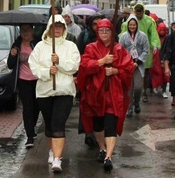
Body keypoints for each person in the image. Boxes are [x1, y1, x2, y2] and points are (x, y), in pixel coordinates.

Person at [78, 19, 134, 172]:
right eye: (101, 31)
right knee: (98, 124)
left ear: (112, 32)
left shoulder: (119, 49)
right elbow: (84, 66)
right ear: (97, 32)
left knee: (111, 125)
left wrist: (116, 71)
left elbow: (128, 68)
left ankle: (109, 156)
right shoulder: (90, 48)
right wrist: (101, 62)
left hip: (113, 94)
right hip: (95, 93)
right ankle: (102, 148)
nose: (104, 33)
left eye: (107, 31)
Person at [28, 15, 80, 173]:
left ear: (64, 28)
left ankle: (57, 159)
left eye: (60, 27)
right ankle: (52, 150)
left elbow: (74, 65)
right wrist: (47, 71)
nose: (57, 29)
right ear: (49, 28)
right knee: (49, 125)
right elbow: (33, 65)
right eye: (54, 26)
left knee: (58, 124)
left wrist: (60, 62)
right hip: (45, 91)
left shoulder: (70, 46)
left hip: (64, 90)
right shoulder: (40, 47)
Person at [7, 23, 40, 148]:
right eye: (23, 30)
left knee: (37, 106)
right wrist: (12, 54)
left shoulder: (38, 44)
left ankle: (32, 127)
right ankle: (29, 136)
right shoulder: (17, 45)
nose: (25, 33)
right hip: (23, 80)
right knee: (27, 107)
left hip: (37, 80)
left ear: (32, 31)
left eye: (28, 30)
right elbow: (10, 65)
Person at [121, 3, 160, 103]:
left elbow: (153, 34)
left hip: (144, 50)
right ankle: (132, 93)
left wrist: (155, 45)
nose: (138, 15)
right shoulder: (129, 21)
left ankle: (144, 92)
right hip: (130, 51)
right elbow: (123, 35)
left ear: (143, 11)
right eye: (137, 13)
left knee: (145, 72)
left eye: (140, 13)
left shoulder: (149, 21)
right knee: (130, 72)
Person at [76, 13, 104, 147]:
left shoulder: (108, 38)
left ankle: (100, 132)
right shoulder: (84, 36)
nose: (97, 27)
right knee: (86, 105)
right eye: (94, 24)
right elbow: (78, 56)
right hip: (87, 77)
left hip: (102, 79)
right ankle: (88, 132)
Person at [118, 15, 149, 117]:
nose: (132, 26)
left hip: (138, 65)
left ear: (137, 25)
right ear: (128, 25)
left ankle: (137, 102)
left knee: (138, 87)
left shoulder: (143, 36)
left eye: (134, 24)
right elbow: (120, 50)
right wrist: (126, 61)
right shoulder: (123, 37)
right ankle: (129, 108)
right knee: (128, 89)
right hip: (127, 65)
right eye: (130, 25)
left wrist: (138, 61)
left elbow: (146, 50)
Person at [151, 22, 169, 98]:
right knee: (156, 73)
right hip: (156, 58)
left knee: (165, 75)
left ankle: (164, 90)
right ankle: (156, 86)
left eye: (163, 30)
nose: (162, 32)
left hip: (164, 58)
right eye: (160, 30)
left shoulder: (167, 38)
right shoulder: (155, 38)